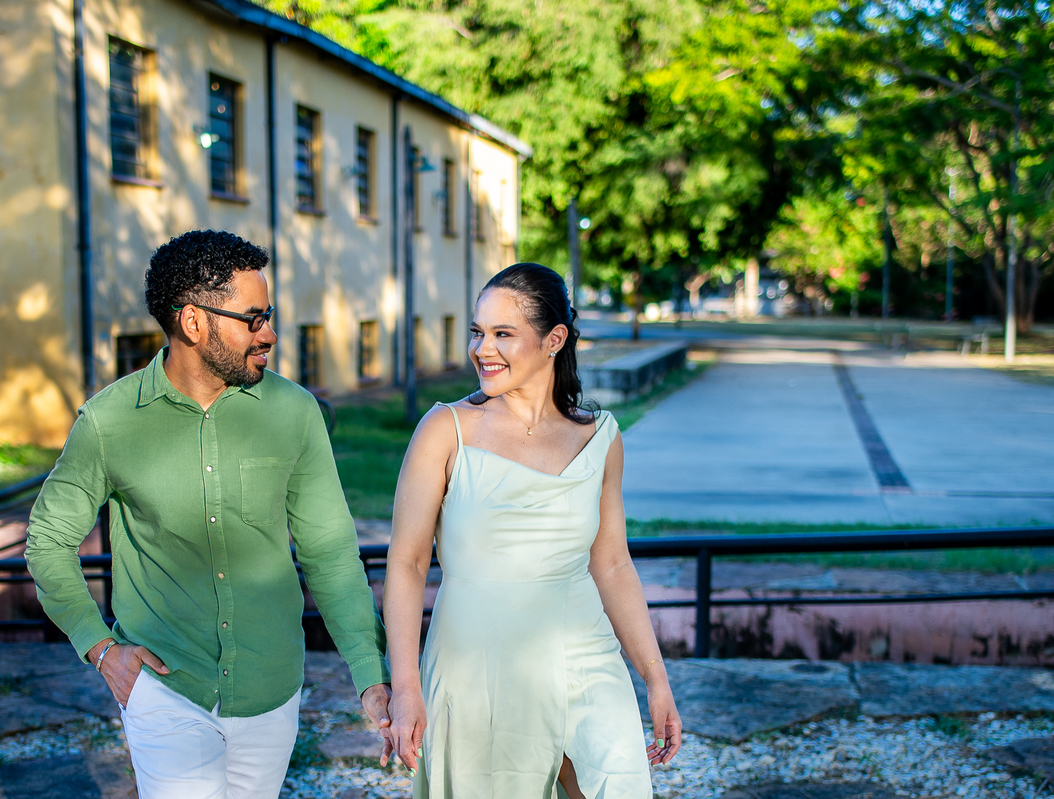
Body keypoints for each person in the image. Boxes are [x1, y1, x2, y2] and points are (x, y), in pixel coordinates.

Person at [25, 230, 392, 798]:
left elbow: (330, 551)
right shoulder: (109, 421)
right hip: (167, 689)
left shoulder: (294, 412)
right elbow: (47, 540)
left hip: (271, 691)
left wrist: (370, 675)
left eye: (268, 314)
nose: (269, 332)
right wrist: (100, 647)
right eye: (252, 318)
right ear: (193, 323)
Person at [382, 262, 682, 798]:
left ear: (554, 340)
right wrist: (405, 687)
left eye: (502, 334)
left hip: (584, 656)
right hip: (476, 663)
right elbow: (406, 564)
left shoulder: (601, 438)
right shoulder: (445, 430)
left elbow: (612, 562)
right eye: (477, 332)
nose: (482, 349)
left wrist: (656, 680)